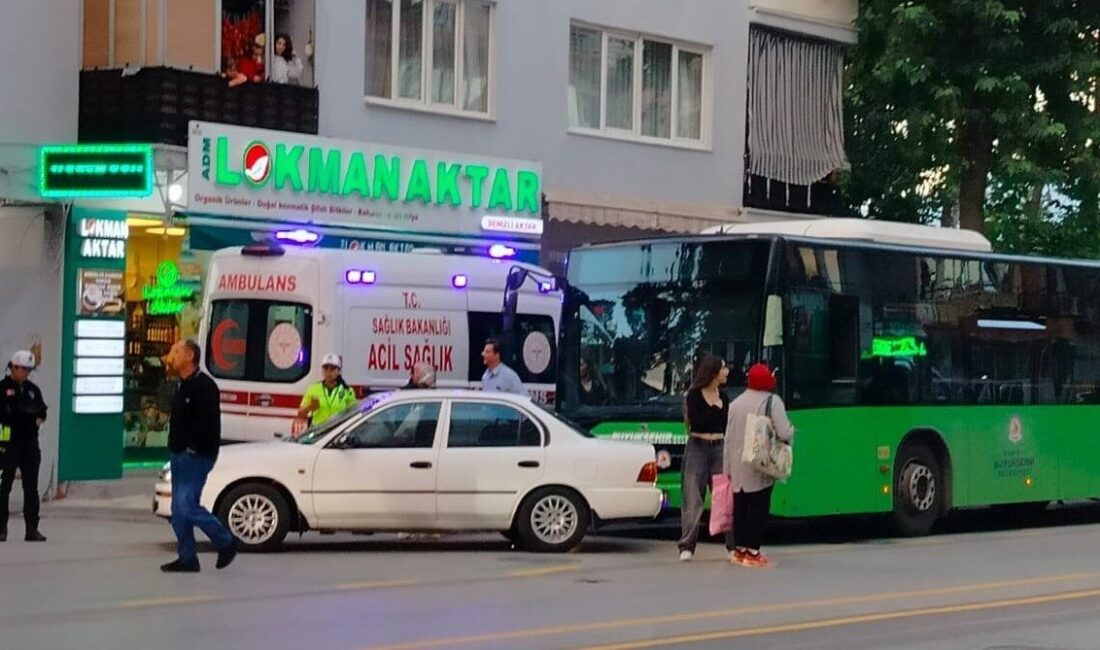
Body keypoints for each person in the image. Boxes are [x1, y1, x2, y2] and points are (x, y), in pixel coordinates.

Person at [161, 340, 237, 573]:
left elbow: (209, 424)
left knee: (186, 505)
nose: (171, 356)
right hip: (179, 454)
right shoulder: (181, 385)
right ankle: (187, 558)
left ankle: (225, 540)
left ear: (190, 355)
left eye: (176, 351)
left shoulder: (204, 386)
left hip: (196, 455)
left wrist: (195, 448)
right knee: (177, 511)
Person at [723, 363, 794, 568]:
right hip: (760, 464)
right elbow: (783, 431)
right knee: (758, 507)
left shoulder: (735, 404)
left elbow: (728, 439)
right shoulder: (773, 401)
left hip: (738, 466)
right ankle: (753, 552)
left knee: (741, 508)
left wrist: (727, 468)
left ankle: (740, 550)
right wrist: (791, 432)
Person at [677, 354, 729, 561]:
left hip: (719, 447)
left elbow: (724, 423)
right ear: (713, 372)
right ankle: (687, 545)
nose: (727, 372)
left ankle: (731, 545)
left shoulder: (724, 396)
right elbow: (698, 421)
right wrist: (715, 409)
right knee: (692, 496)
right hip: (697, 446)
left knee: (724, 496)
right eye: (723, 368)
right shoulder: (694, 395)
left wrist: (717, 409)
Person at [0, 350, 48, 542]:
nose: (27, 374)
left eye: (29, 370)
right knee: (4, 487)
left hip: (29, 445)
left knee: (31, 488)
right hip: (7, 445)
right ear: (15, 367)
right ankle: (1, 527)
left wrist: (29, 416)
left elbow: (42, 412)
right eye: (24, 370)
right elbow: (7, 415)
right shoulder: (2, 389)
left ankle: (32, 528)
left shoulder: (32, 390)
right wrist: (27, 416)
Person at [298, 354, 358, 430]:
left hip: (338, 431)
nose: (329, 372)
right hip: (318, 430)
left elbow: (353, 413)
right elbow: (300, 414)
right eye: (326, 368)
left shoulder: (347, 390)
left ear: (339, 371)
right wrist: (309, 408)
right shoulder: (313, 389)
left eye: (332, 369)